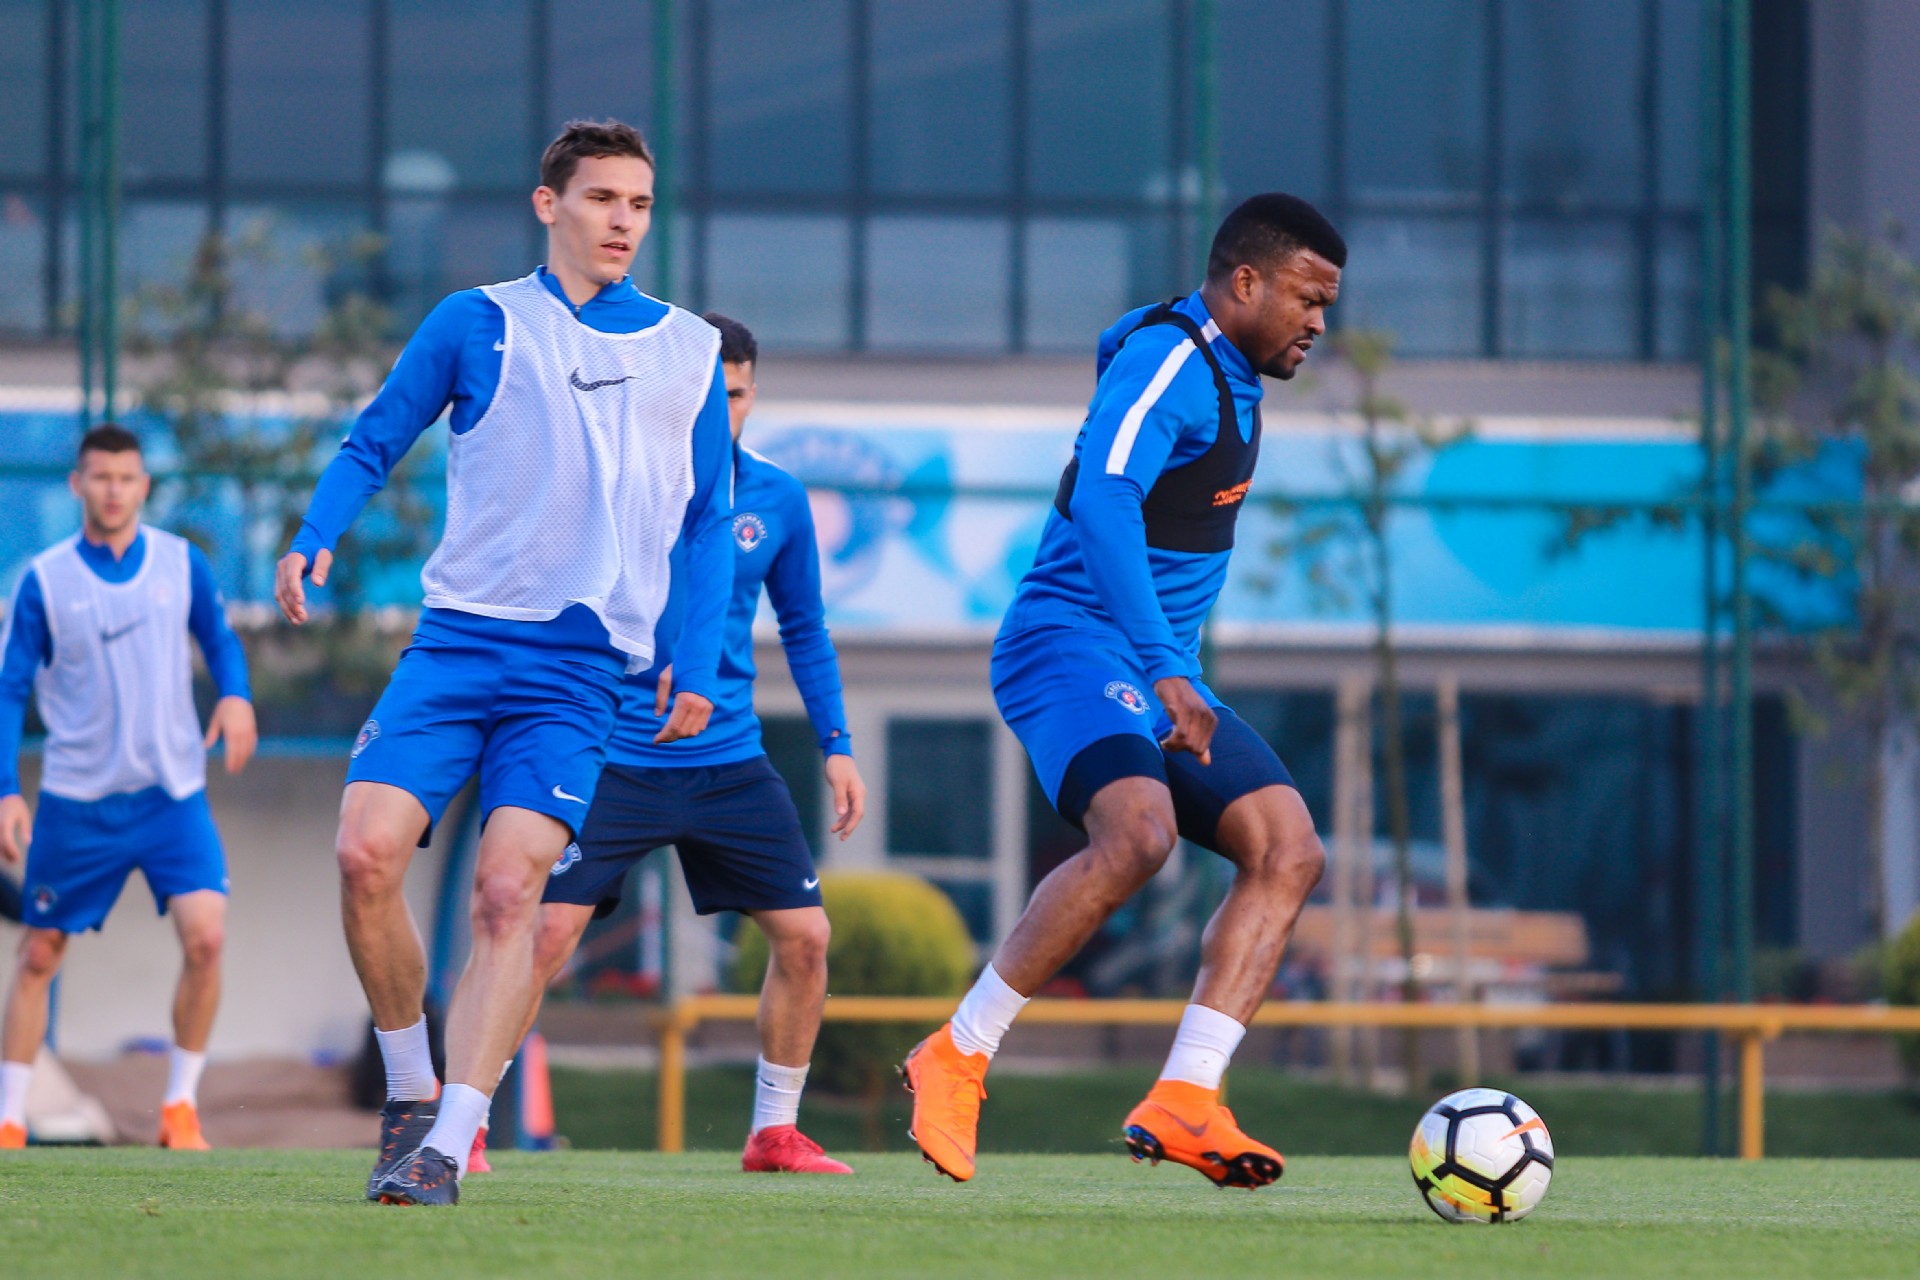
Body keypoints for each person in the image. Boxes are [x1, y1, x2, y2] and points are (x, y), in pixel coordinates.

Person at [274, 118, 732, 1205]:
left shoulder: (690, 350)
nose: (623, 220)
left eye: (639, 203)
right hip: (459, 645)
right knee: (363, 855)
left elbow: (709, 519)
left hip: (579, 673)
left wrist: (698, 658)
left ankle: (447, 1145)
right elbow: (376, 436)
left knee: (504, 891)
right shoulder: (475, 321)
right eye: (602, 198)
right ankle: (409, 1087)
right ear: (548, 204)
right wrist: (315, 531)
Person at [903, 194, 1343, 1188]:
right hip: (1068, 646)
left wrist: (1167, 665)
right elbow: (1104, 495)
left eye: (1327, 304)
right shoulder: (1173, 361)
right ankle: (957, 1053)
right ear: (1244, 283)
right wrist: (1167, 665)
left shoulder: (1223, 366)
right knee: (1139, 834)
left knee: (1289, 850)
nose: (1320, 322)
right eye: (1307, 298)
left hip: (1153, 666)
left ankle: (1186, 1095)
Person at [528, 312, 866, 1175]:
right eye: (711, 395)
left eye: (739, 397)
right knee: (540, 934)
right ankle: (463, 1127)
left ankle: (773, 1132)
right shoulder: (613, 484)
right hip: (613, 754)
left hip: (727, 761)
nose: (724, 412)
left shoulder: (777, 500)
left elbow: (805, 628)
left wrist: (835, 743)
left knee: (807, 937)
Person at [0, 424, 257, 1151]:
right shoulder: (45, 580)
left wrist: (236, 695)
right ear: (78, 485)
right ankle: (9, 1119)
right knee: (39, 955)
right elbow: (10, 686)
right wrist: (6, 788)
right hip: (77, 803)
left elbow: (220, 639)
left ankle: (179, 1110)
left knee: (207, 938)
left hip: (171, 797)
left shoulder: (181, 563)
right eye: (100, 477)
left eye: (126, 478)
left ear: (144, 486)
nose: (113, 490)